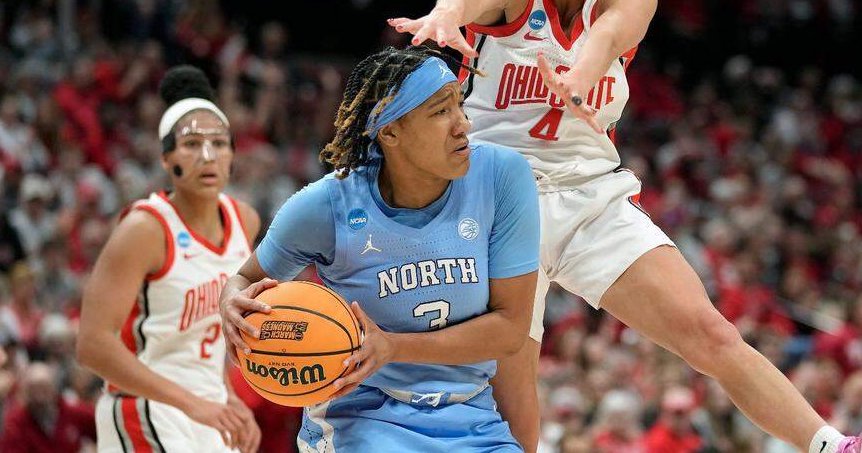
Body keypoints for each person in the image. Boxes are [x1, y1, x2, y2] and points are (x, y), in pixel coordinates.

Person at [388, 0, 862, 452]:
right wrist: (445, 14)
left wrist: (581, 70)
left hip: (588, 195)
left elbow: (609, 36)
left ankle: (836, 448)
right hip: (496, 202)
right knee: (516, 388)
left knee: (711, 333)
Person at [219, 45, 540, 452]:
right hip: (361, 417)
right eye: (440, 112)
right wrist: (230, 301)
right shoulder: (327, 204)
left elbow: (510, 329)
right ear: (390, 133)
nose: (462, 125)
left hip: (471, 418)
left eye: (459, 105)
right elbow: (246, 279)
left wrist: (393, 347)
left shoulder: (501, 176)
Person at [77, 66, 261, 453]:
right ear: (165, 158)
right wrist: (193, 404)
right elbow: (92, 345)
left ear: (232, 153)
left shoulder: (245, 220)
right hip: (143, 405)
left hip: (208, 406)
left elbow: (206, 338)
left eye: (218, 143)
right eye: (191, 144)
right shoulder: (145, 228)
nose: (207, 156)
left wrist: (227, 395)